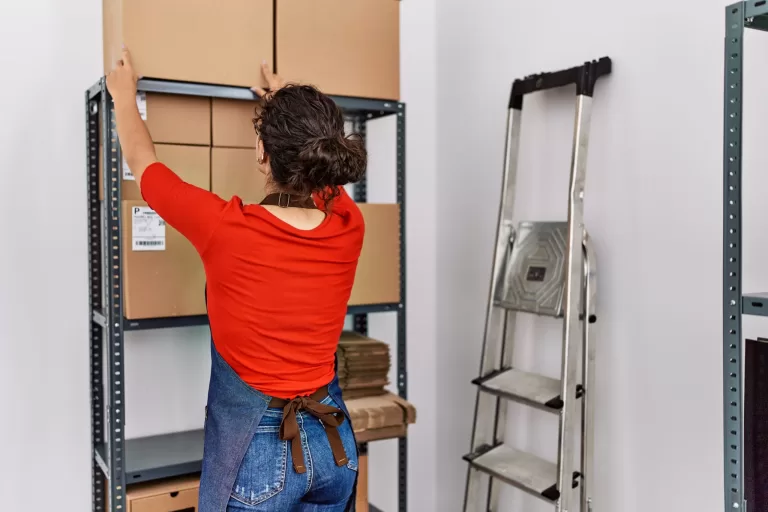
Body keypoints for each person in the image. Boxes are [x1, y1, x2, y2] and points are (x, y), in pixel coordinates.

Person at [106, 49, 367, 512]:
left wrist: (125, 96)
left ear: (262, 154)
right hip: (334, 446)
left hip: (259, 454)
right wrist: (284, 104)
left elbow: (144, 164)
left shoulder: (225, 226)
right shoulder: (348, 225)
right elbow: (327, 178)